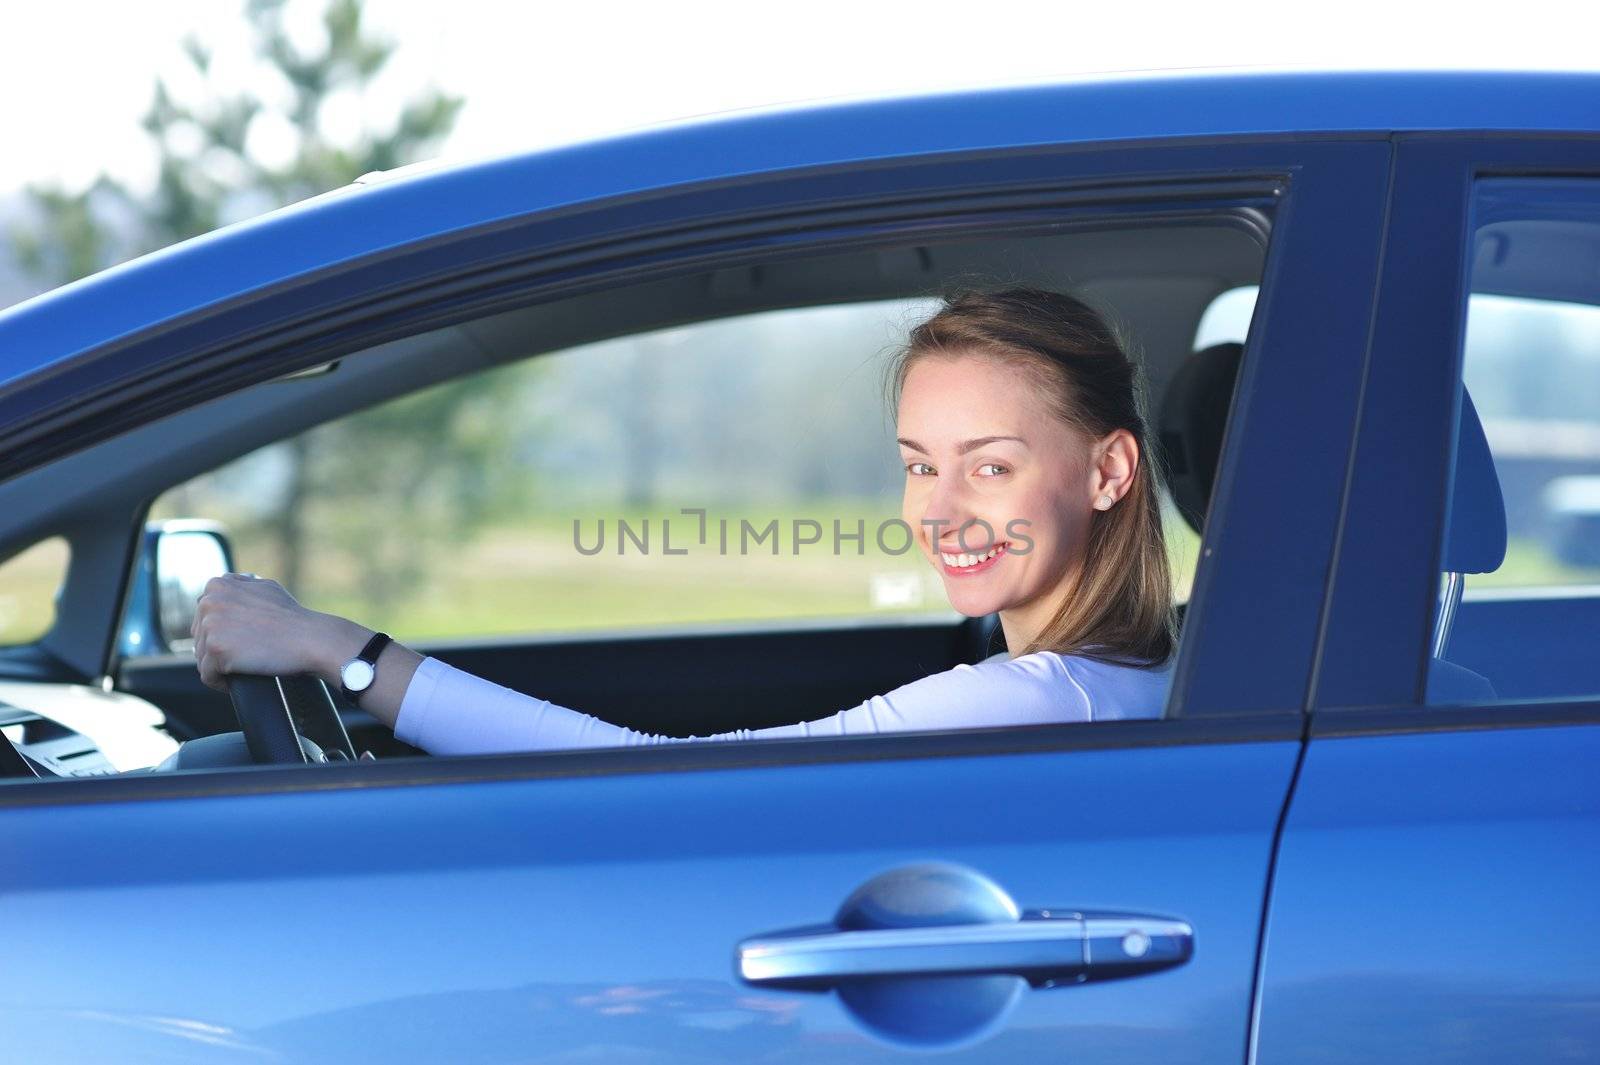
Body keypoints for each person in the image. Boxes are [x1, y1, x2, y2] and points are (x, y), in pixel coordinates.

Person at [191, 288, 1176, 755]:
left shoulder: (1040, 702)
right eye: (919, 466)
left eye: (990, 467)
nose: (940, 511)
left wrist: (342, 652)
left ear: (1107, 471)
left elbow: (654, 782)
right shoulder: (1128, 679)